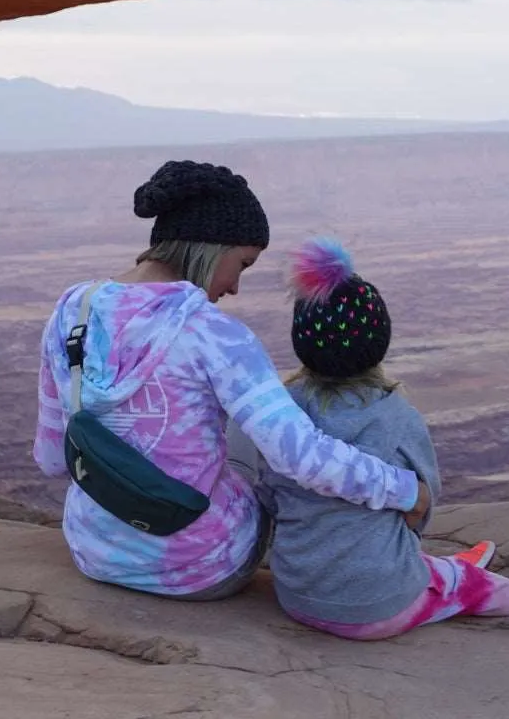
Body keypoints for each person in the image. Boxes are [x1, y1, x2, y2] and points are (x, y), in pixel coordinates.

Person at [32, 161, 430, 600]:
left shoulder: (74, 310)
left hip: (94, 553)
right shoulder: (216, 335)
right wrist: (408, 491)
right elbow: (301, 459)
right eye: (241, 263)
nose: (235, 286)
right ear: (211, 248)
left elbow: (52, 457)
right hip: (201, 569)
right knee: (250, 426)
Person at [261, 237, 509, 639]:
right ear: (378, 342)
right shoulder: (394, 416)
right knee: (468, 585)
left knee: (405, 558)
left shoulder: (279, 413)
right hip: (378, 606)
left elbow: (269, 495)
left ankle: (424, 569)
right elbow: (420, 507)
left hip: (298, 597)